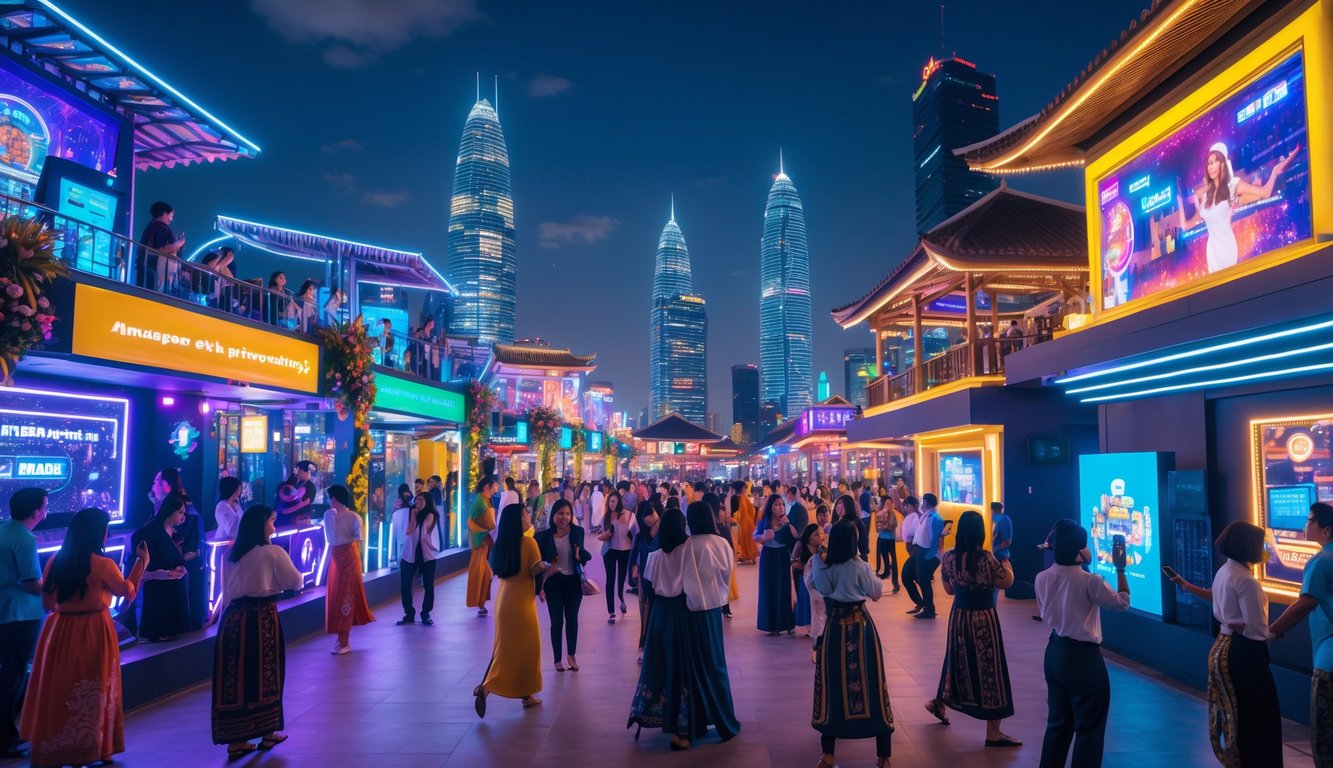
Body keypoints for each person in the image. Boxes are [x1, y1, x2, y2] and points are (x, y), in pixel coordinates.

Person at [22, 509, 146, 766]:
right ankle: (90, 748)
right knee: (94, 688)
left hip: (59, 630)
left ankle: (55, 746)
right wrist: (141, 563)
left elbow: (47, 602)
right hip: (93, 629)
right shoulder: (103, 564)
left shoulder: (56, 560)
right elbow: (127, 593)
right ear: (99, 532)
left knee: (59, 688)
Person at [1169, 522, 1280, 766]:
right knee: (1258, 717)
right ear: (1248, 547)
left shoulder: (1225, 571)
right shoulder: (1247, 581)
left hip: (1222, 647)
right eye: (1261, 545)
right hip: (1244, 654)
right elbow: (1257, 630)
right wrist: (1277, 632)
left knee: (1235, 715)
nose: (1266, 550)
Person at [628, 506, 740, 749]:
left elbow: (647, 590)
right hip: (691, 612)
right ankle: (689, 726)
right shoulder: (699, 547)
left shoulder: (658, 555)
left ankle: (662, 718)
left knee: (663, 669)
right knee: (691, 670)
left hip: (664, 614)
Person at [1035, 520, 1130, 768]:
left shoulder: (1042, 577)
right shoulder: (1091, 581)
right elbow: (1122, 602)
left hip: (1054, 653)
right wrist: (1121, 569)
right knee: (1089, 729)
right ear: (1079, 549)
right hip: (1084, 660)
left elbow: (1046, 614)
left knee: (1057, 726)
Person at [212, 505, 304, 758]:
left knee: (234, 678)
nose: (274, 527)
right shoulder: (272, 552)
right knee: (266, 673)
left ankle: (236, 739)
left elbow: (226, 592)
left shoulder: (230, 555)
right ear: (263, 525)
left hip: (232, 620)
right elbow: (296, 580)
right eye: (272, 522)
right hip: (261, 617)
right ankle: (267, 732)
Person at [924, 510, 1020, 747]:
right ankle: (993, 732)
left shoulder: (949, 558)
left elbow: (948, 589)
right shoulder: (986, 558)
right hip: (983, 619)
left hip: (959, 617)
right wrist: (1008, 566)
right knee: (990, 669)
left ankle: (941, 702)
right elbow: (1005, 582)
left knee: (956, 660)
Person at [811, 518, 893, 768]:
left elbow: (822, 588)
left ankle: (828, 755)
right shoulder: (860, 565)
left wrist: (817, 559)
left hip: (836, 625)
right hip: (861, 626)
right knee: (872, 683)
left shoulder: (825, 565)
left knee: (832, 683)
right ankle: (883, 756)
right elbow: (876, 593)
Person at [1264, 501, 1333, 767]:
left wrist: (1272, 631)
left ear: (1325, 530)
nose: (1305, 525)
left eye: (1310, 520)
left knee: (1324, 735)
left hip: (1328, 661)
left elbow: (1305, 603)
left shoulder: (1320, 562)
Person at [1177, 141, 1297, 273]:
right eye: (1209, 163)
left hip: (1227, 248)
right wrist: (1179, 204)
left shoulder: (1233, 185)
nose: (1211, 167)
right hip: (1211, 251)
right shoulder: (1206, 197)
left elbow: (1265, 193)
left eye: (1215, 162)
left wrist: (1274, 172)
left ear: (1222, 163)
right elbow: (1186, 226)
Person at [474, 503, 549, 716]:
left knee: (505, 649)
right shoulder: (529, 543)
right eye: (525, 515)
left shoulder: (501, 544)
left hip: (503, 604)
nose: (529, 518)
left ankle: (525, 695)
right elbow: (534, 570)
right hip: (522, 605)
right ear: (518, 520)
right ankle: (487, 687)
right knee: (526, 650)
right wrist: (549, 564)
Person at [0, 489, 45, 758]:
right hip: (22, 615)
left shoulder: (4, 530)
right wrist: (53, 585)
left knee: (9, 672)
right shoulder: (26, 540)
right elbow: (32, 583)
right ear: (35, 512)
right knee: (14, 676)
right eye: (45, 506)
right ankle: (7, 738)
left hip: (5, 612)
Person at [536, 499, 591, 672]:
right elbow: (539, 561)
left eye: (567, 513)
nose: (564, 517)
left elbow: (583, 558)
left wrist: (579, 555)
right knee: (557, 621)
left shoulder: (578, 532)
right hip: (553, 582)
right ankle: (557, 659)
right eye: (560, 513)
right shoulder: (544, 536)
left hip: (573, 582)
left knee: (572, 619)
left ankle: (572, 655)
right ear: (554, 515)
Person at [323, 485, 374, 654]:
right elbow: (331, 538)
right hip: (336, 558)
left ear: (335, 499)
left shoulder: (353, 516)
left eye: (331, 498)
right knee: (336, 595)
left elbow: (357, 537)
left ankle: (344, 639)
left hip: (349, 558)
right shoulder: (330, 515)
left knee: (346, 596)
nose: (330, 502)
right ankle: (341, 638)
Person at [132, 493, 190, 641]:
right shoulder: (151, 532)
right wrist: (164, 574)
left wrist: (180, 569)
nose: (183, 517)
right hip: (158, 591)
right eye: (180, 512)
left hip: (172, 588)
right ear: (171, 511)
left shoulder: (174, 533)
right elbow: (143, 566)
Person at [396, 493, 442, 626]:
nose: (417, 502)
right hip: (409, 554)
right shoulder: (411, 513)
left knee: (428, 586)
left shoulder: (431, 515)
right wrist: (413, 517)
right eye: (416, 500)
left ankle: (425, 613)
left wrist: (416, 517)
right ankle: (409, 613)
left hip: (427, 555)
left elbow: (423, 535)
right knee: (405, 585)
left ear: (427, 501)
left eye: (420, 500)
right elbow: (408, 532)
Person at [755, 493, 798, 635]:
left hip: (782, 556)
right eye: (777, 505)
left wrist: (789, 523)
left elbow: (795, 536)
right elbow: (756, 536)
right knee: (769, 589)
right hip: (768, 557)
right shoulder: (765, 521)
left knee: (784, 588)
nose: (780, 508)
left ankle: (786, 623)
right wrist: (764, 537)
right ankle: (771, 624)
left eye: (782, 505)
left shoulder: (786, 521)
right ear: (770, 507)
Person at [630, 498, 663, 660]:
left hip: (655, 579)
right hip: (650, 579)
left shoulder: (660, 533)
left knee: (651, 612)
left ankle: (648, 645)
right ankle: (646, 645)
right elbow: (634, 555)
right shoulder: (643, 535)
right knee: (649, 612)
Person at [598, 491, 634, 623]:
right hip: (610, 551)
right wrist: (608, 532)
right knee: (610, 579)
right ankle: (611, 612)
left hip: (625, 550)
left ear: (618, 501)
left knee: (621, 579)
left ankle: (621, 600)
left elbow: (635, 532)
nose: (611, 504)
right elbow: (601, 535)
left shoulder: (629, 515)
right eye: (610, 502)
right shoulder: (605, 518)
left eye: (613, 501)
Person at [467, 476, 499, 616]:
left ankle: (481, 603)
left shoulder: (488, 500)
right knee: (483, 573)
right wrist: (482, 532)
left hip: (487, 542)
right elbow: (470, 522)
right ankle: (479, 602)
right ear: (487, 486)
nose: (497, 487)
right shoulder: (479, 500)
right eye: (495, 485)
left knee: (486, 575)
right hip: (480, 543)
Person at [139, 201, 185, 292]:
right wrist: (179, 244)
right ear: (164, 213)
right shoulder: (162, 228)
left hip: (146, 271)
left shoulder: (150, 227)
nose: (171, 219)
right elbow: (161, 250)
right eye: (171, 216)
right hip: (159, 275)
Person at [912, 493, 945, 619]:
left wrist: (929, 556)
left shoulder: (935, 518)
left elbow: (936, 540)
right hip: (921, 551)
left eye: (922, 501)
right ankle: (927, 607)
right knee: (922, 580)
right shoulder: (927, 516)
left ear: (926, 502)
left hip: (927, 553)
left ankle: (929, 609)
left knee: (924, 581)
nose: (921, 503)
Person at [798, 524, 827, 649]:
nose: (819, 537)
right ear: (808, 537)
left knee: (819, 605)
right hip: (806, 578)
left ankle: (819, 630)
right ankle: (813, 629)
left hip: (819, 580)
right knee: (812, 604)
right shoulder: (802, 547)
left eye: (821, 533)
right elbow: (793, 562)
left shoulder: (823, 550)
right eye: (816, 534)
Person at [876, 492, 899, 590]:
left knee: (894, 560)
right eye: (886, 503)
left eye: (890, 503)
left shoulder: (893, 514)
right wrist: (883, 517)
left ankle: (895, 581)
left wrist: (885, 523)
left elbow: (892, 526)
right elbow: (878, 527)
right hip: (882, 539)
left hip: (891, 539)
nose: (889, 505)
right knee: (883, 558)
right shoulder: (880, 513)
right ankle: (885, 573)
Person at [731, 481, 759, 564]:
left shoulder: (744, 497)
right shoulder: (735, 498)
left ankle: (749, 555)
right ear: (740, 488)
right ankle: (744, 555)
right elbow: (734, 511)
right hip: (740, 522)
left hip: (747, 522)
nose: (745, 489)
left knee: (748, 538)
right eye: (744, 488)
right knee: (742, 539)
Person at [214, 477, 244, 541]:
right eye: (238, 489)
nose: (240, 492)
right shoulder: (221, 506)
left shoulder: (237, 505)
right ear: (232, 489)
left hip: (236, 540)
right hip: (224, 541)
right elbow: (231, 530)